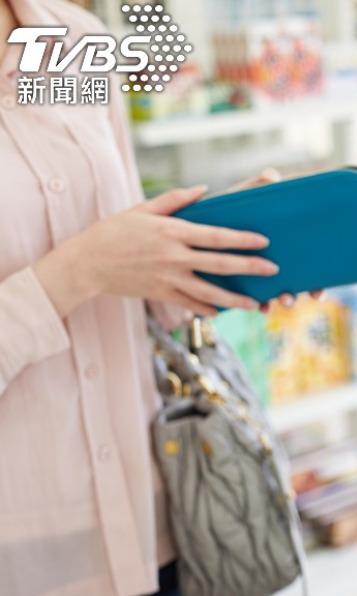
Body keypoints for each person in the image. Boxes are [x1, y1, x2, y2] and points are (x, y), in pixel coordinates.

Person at [0, 1, 289, 594]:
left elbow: (134, 271)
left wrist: (218, 250)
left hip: (152, 522)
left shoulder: (76, 38)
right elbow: (99, 261)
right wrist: (82, 267)